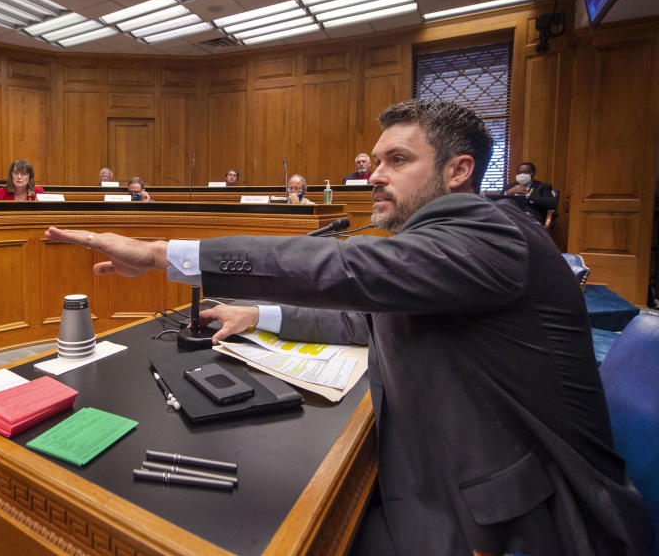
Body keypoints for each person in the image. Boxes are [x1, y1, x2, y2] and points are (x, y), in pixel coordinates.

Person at [43, 99, 653, 556]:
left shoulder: (494, 234)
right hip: (449, 485)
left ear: (459, 171)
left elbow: (348, 268)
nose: (374, 176)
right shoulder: (445, 250)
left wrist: (161, 254)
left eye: (398, 160)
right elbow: (368, 313)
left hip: (522, 525)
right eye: (376, 160)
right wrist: (261, 314)